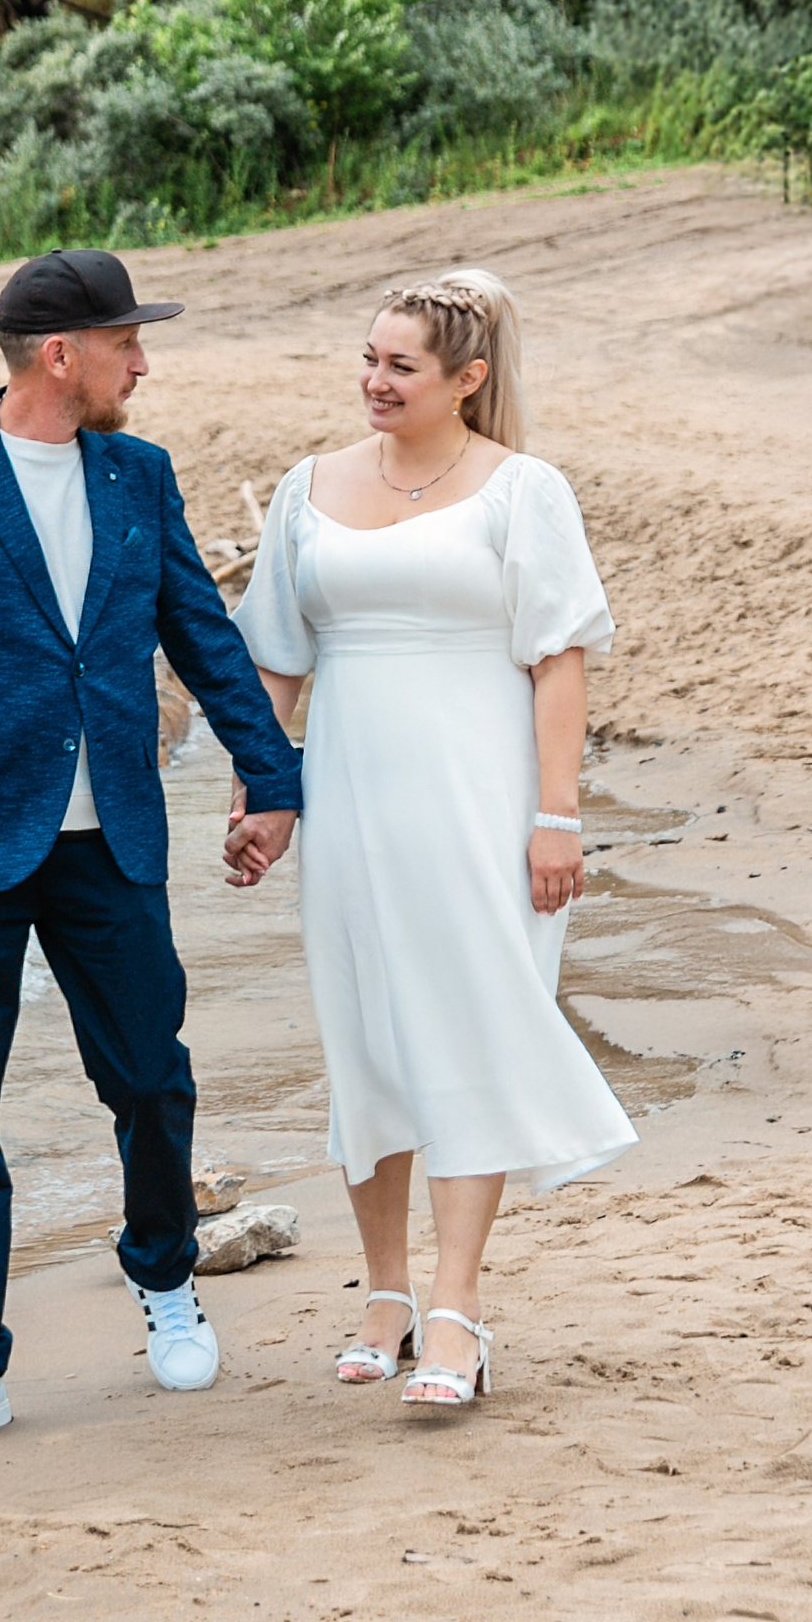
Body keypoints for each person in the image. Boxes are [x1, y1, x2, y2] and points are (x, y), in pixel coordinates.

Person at [0, 245, 302, 1451]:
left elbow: (198, 628)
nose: (141, 362)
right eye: (126, 343)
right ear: (61, 354)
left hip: (113, 839)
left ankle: (164, 1275)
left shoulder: (139, 475)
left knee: (150, 1076)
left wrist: (271, 772)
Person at [227, 267, 634, 1408]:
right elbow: (277, 659)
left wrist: (557, 818)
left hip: (480, 792)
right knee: (365, 1032)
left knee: (469, 1025)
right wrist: (263, 792)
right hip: (352, 792)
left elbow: (560, 658)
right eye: (367, 358)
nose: (374, 380)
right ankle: (384, 1290)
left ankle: (455, 1307)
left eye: (400, 364)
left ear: (468, 378)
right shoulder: (307, 489)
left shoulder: (523, 491)